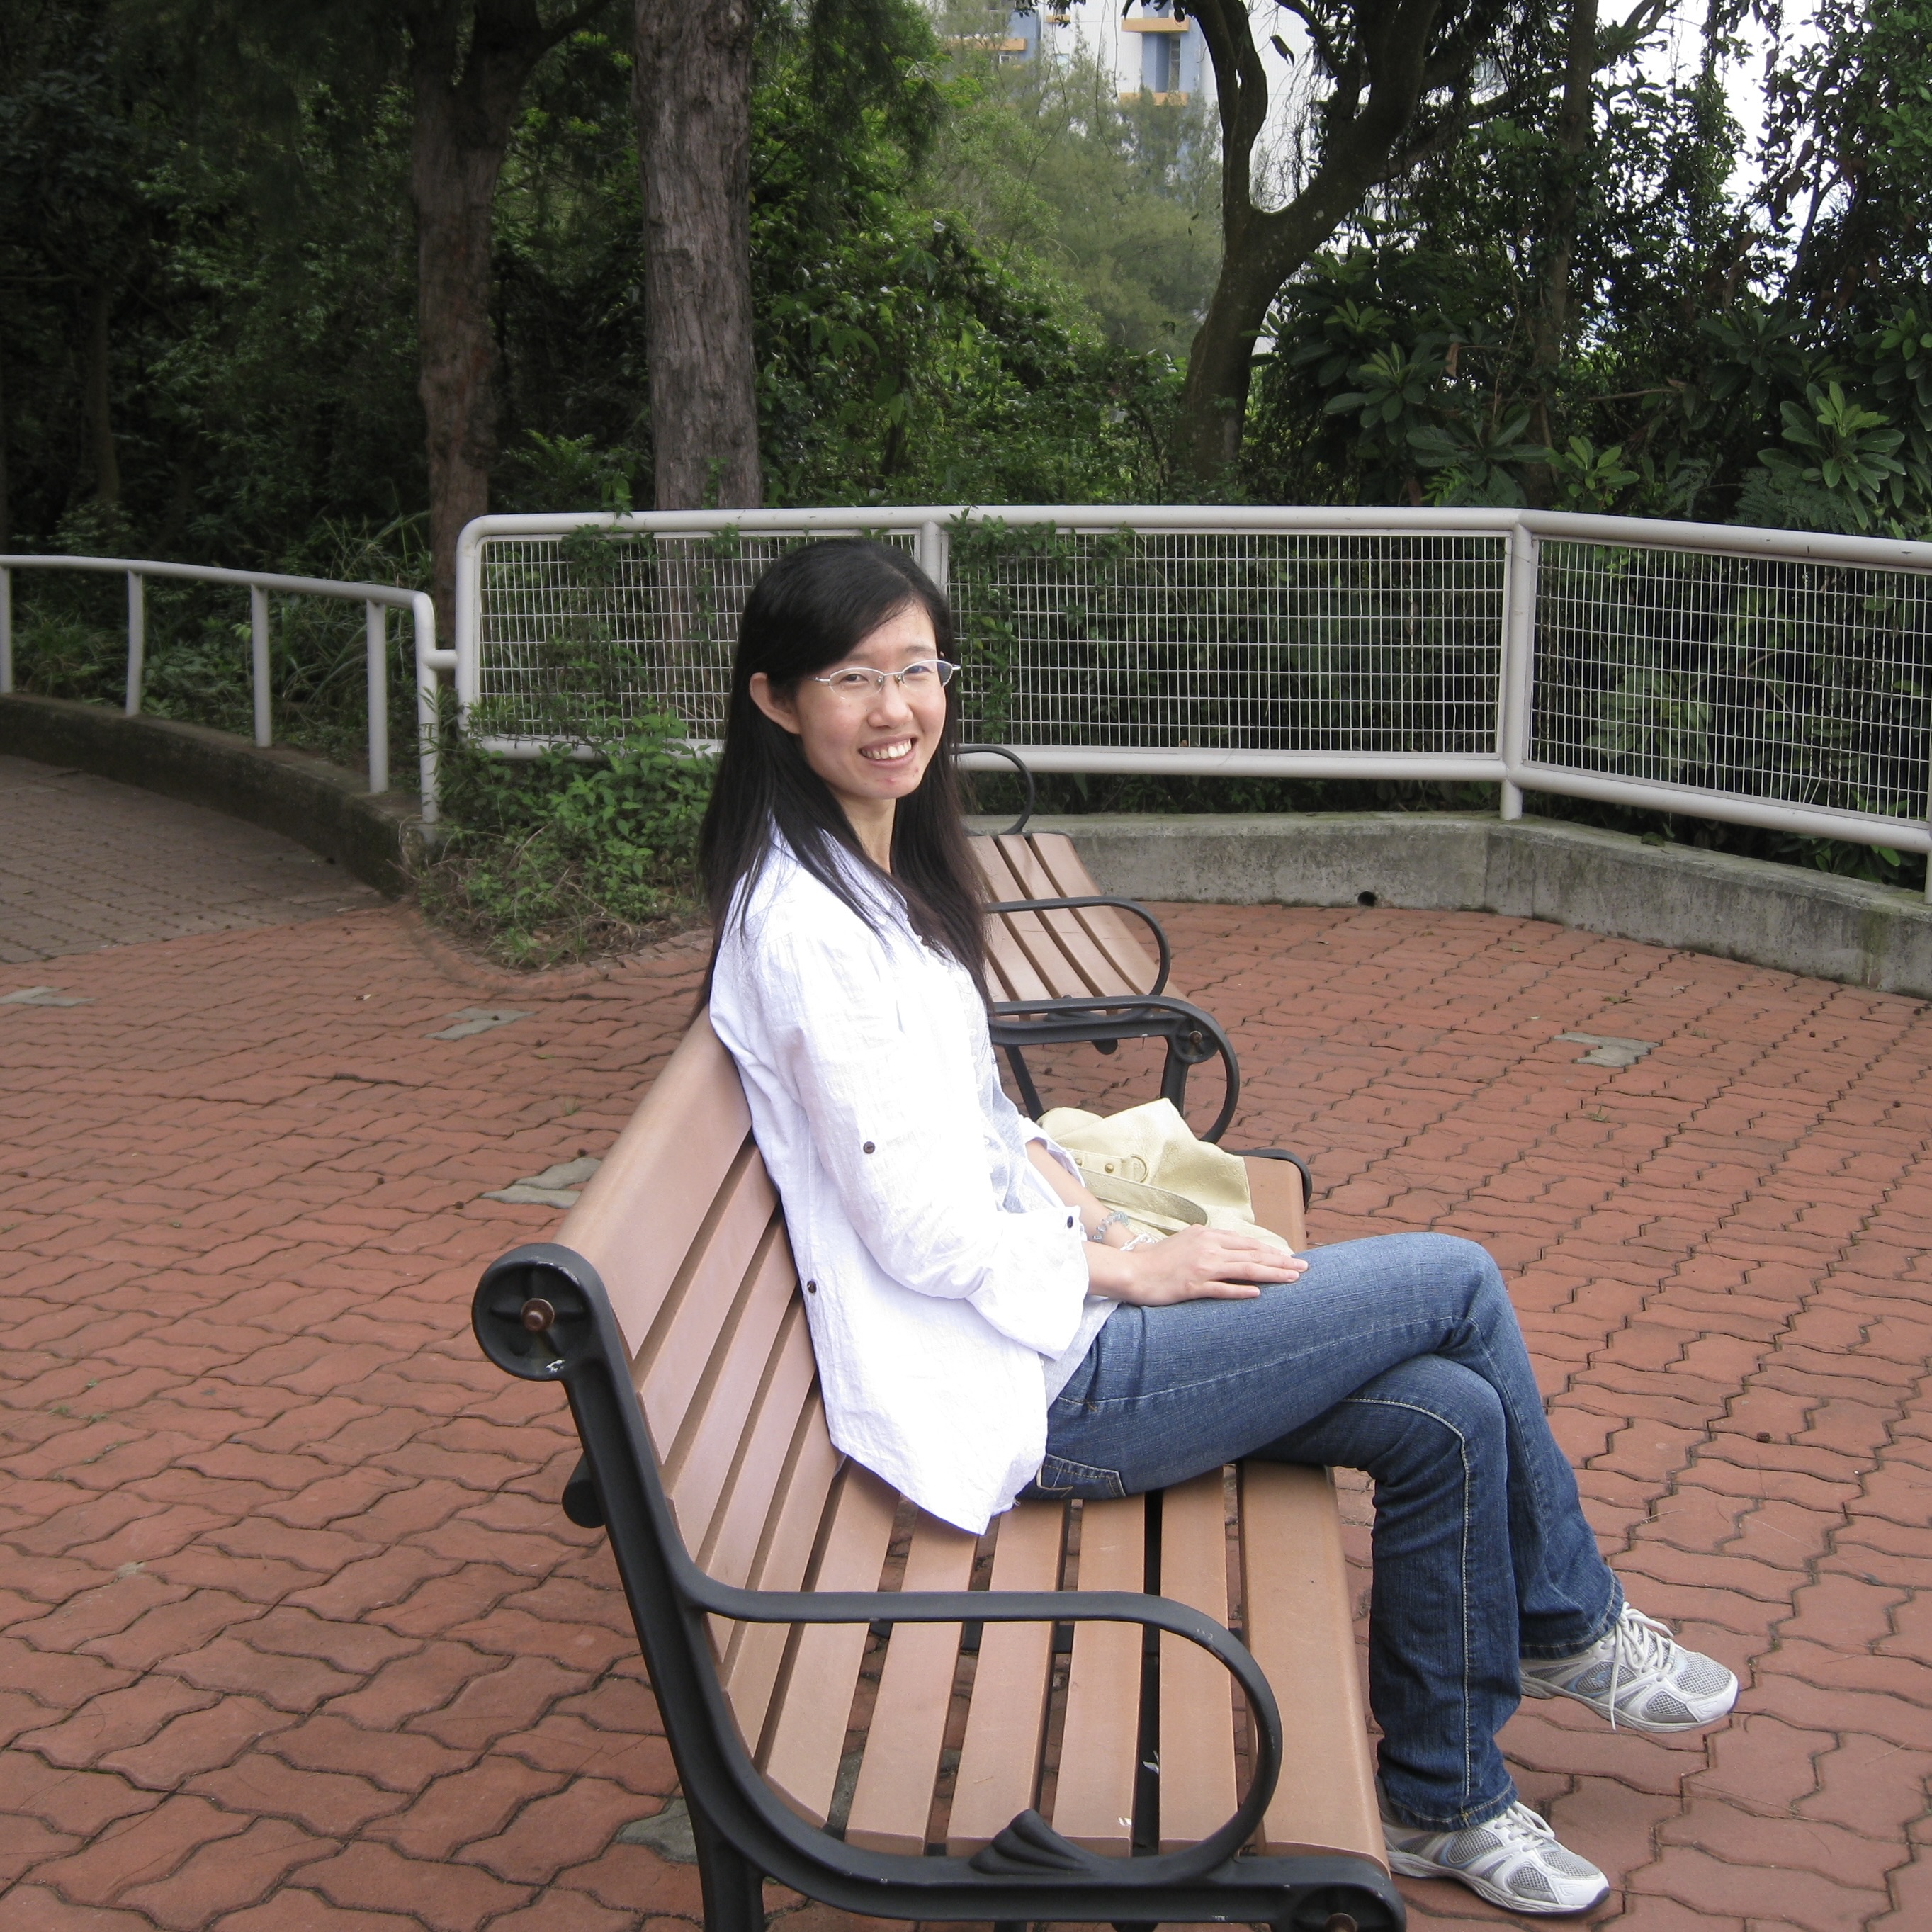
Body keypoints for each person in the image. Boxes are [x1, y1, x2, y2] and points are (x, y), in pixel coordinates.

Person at [701, 539, 1738, 1917]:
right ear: (776, 701)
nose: (895, 707)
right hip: (1032, 1382)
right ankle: (1567, 1622)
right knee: (1455, 1280)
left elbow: (960, 1110)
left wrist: (1058, 1172)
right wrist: (1131, 1266)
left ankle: (1443, 1799)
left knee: (1447, 1416)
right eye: (853, 677)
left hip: (1042, 1323)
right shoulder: (807, 929)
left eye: (917, 667)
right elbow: (911, 1228)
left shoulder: (871, 877)